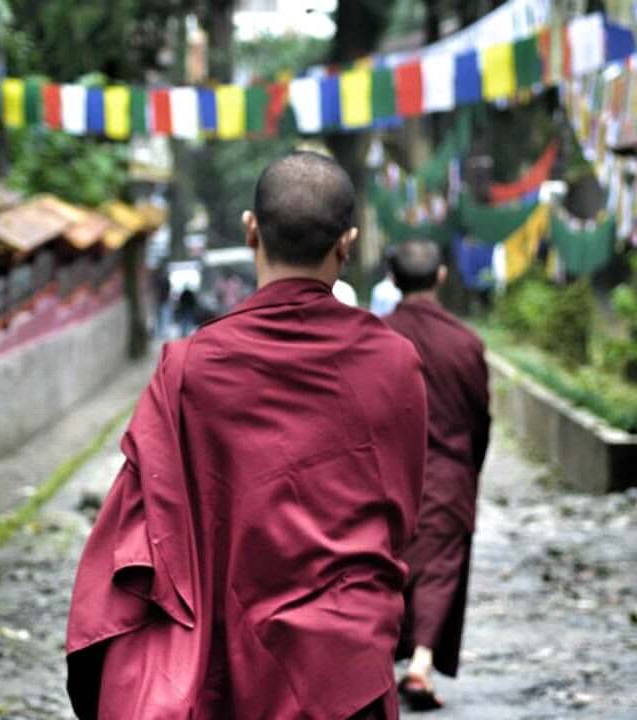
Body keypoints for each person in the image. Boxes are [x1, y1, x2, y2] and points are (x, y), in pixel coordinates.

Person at [66, 151, 428, 720]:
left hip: (230, 656)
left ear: (251, 230)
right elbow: (402, 515)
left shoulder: (190, 367)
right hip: (347, 662)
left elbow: (145, 531)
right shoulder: (394, 361)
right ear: (348, 242)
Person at [383, 238, 491, 712]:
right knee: (440, 568)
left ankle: (386, 663)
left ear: (392, 280)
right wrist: (470, 468)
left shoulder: (376, 338)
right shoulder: (465, 343)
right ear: (442, 276)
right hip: (448, 474)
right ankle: (421, 664)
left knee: (388, 566)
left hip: (387, 475)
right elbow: (480, 418)